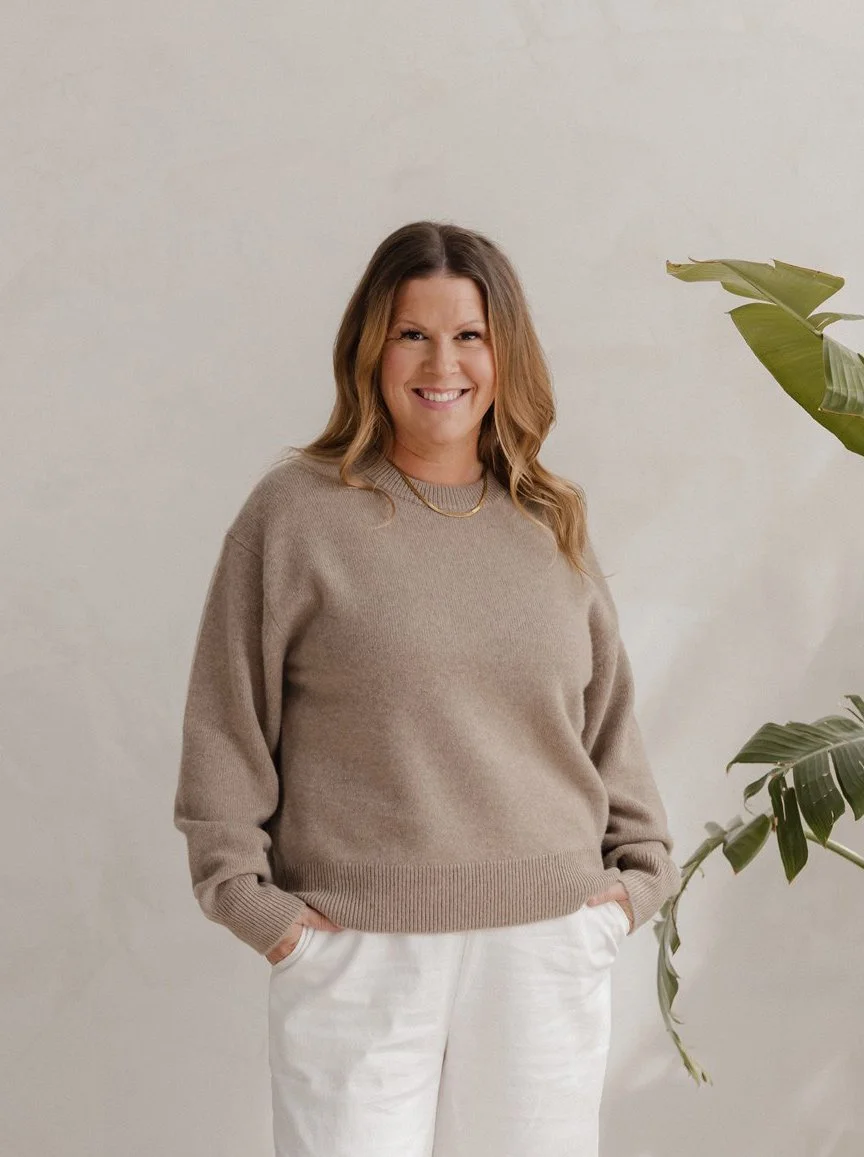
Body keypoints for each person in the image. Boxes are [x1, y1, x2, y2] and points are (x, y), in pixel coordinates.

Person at [173, 220, 681, 1157]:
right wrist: (260, 909)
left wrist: (632, 886)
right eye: (413, 333)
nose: (441, 361)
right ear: (373, 348)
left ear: (503, 355)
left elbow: (608, 723)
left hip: (545, 945)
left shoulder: (549, 521)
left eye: (469, 335)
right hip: (356, 951)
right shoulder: (294, 515)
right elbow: (225, 720)